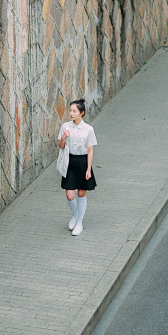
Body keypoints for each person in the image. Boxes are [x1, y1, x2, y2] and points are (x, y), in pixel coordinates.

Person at [57, 98, 97, 236]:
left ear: (82, 113)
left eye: (74, 111)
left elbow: (90, 150)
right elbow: (61, 146)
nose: (71, 113)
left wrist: (88, 169)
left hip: (83, 162)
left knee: (81, 193)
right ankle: (75, 215)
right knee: (69, 194)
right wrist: (63, 137)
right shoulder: (66, 126)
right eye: (70, 110)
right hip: (70, 161)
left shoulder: (88, 129)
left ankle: (79, 222)